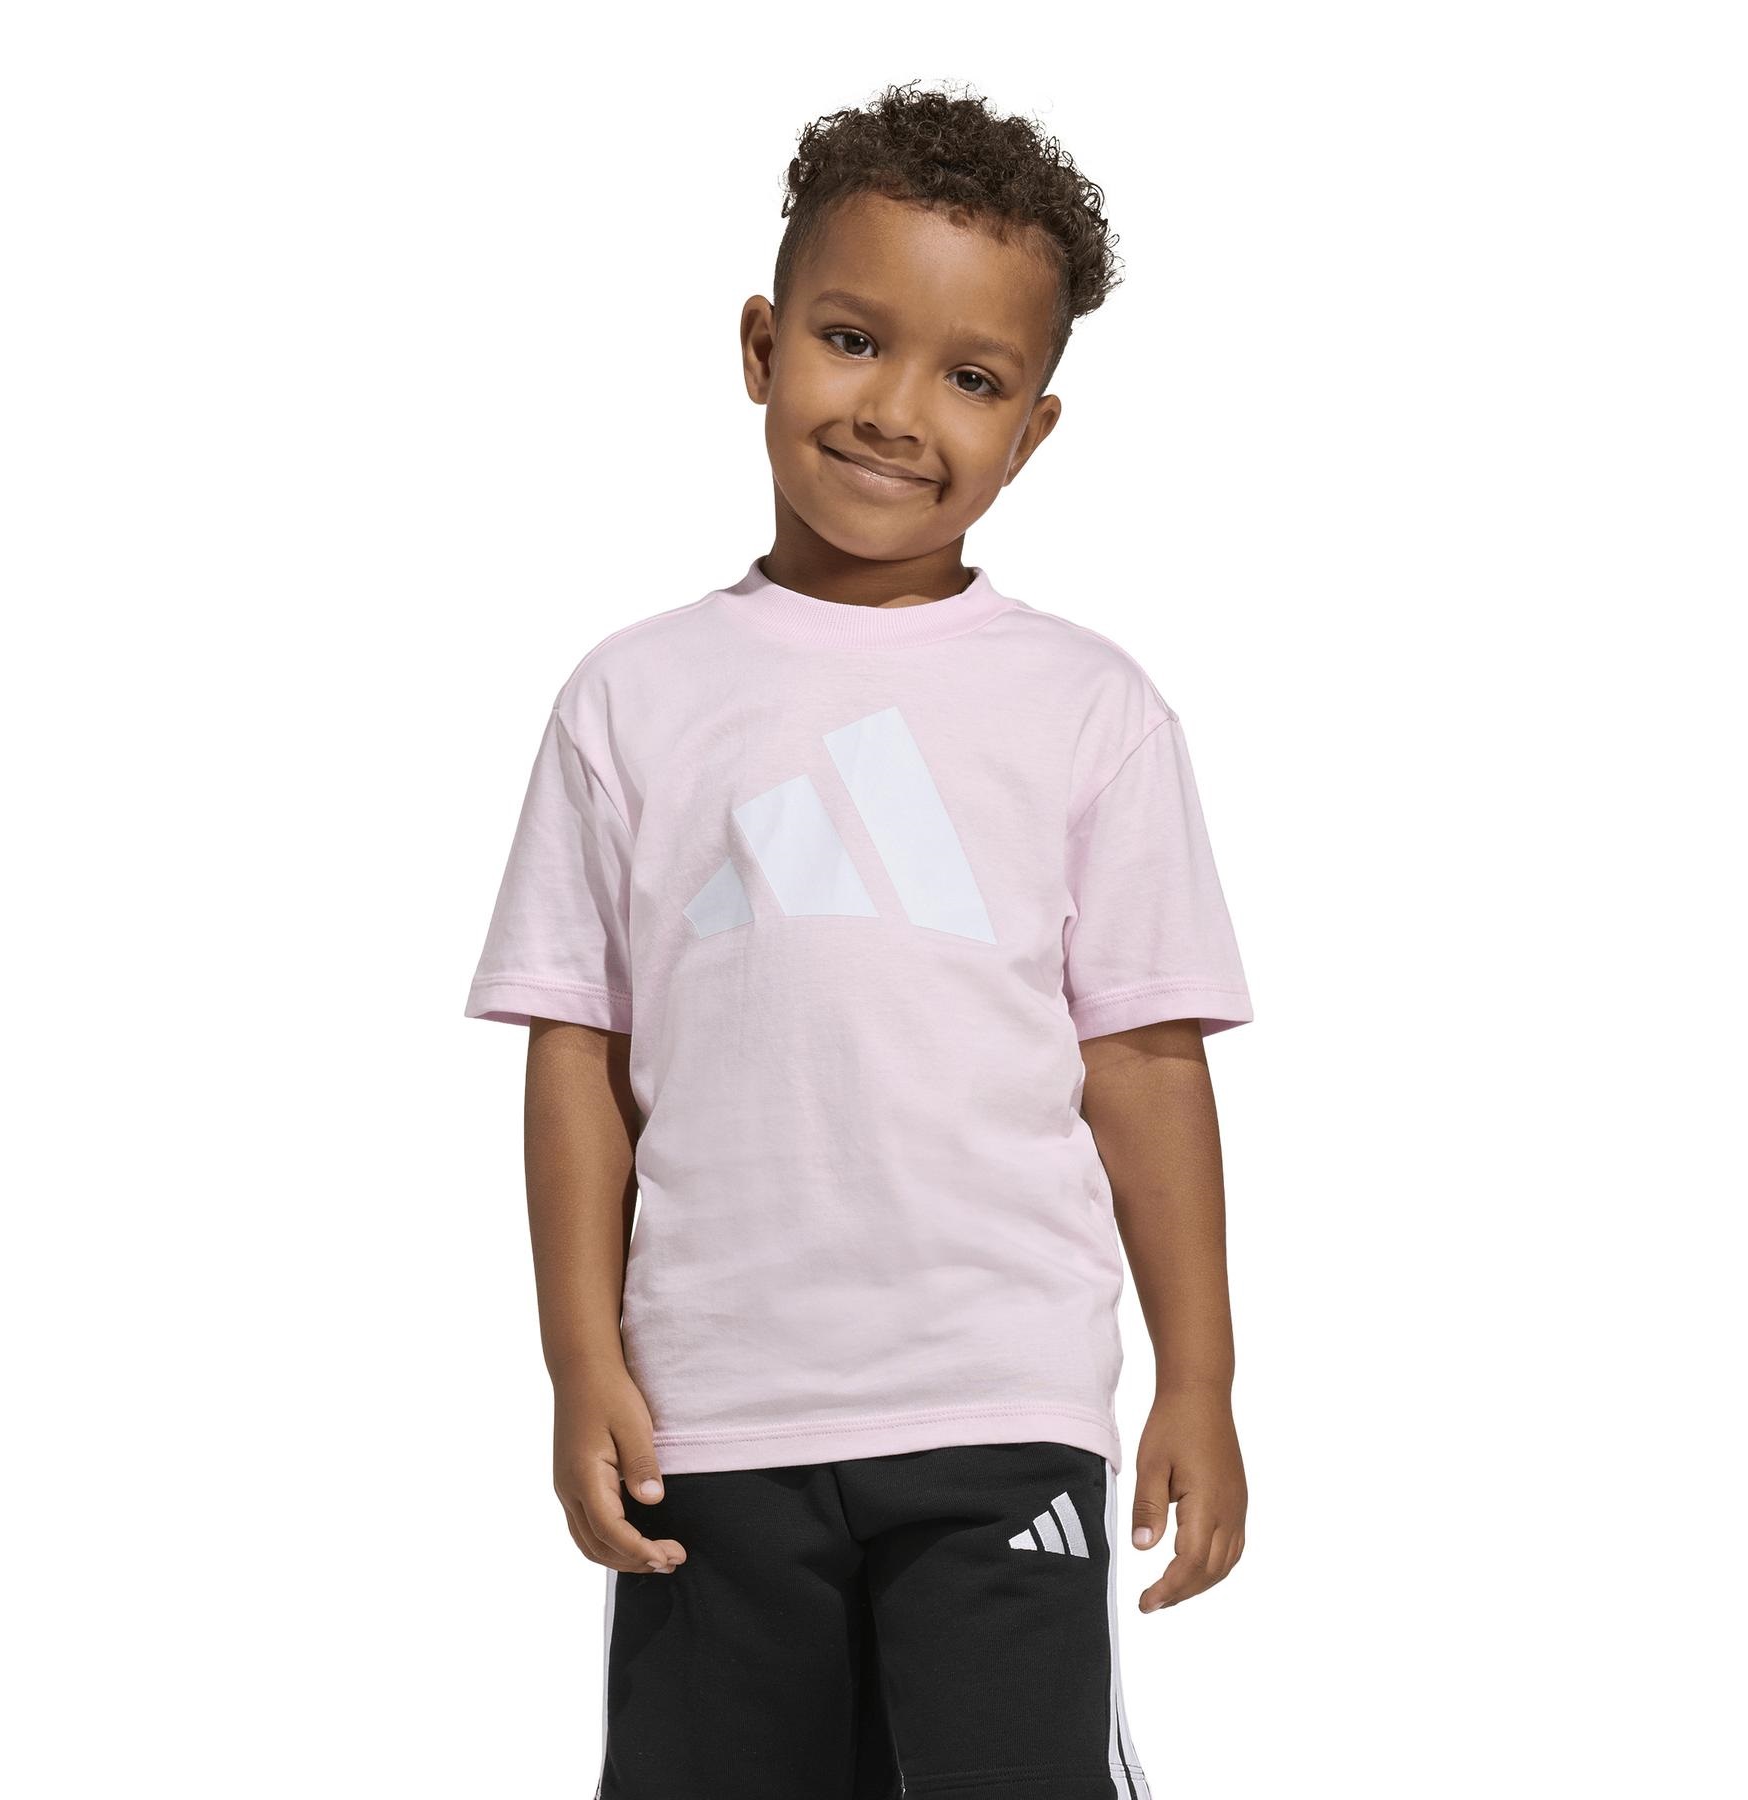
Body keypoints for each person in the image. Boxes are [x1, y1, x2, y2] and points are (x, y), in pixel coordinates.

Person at [464, 78, 1255, 1800]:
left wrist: (1198, 1375)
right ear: (761, 347)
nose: (898, 411)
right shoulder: (630, 698)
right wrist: (580, 1360)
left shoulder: (1089, 710)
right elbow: (580, 1053)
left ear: (1033, 430)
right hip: (713, 1420)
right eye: (851, 340)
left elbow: (1143, 1063)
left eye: (972, 378)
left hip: (996, 1409)